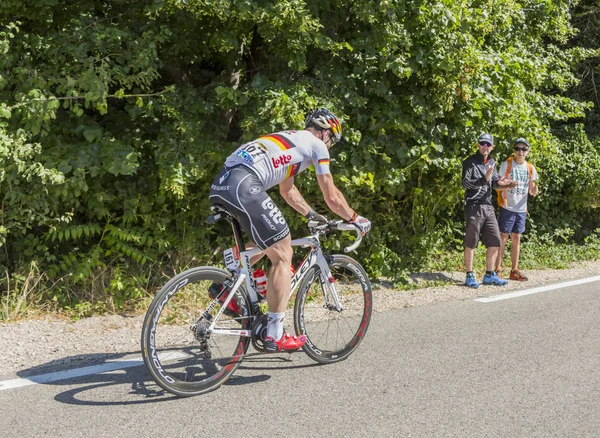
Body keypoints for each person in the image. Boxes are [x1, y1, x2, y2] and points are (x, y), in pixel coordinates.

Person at [208, 108, 372, 352]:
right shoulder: (317, 145)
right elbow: (332, 197)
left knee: (271, 241)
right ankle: (275, 333)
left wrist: (311, 214)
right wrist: (355, 218)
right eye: (332, 141)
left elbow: (288, 191)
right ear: (326, 133)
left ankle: (230, 282)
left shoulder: (289, 140)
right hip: (245, 184)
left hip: (223, 183)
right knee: (284, 251)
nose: (331, 146)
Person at [462, 133, 518, 288]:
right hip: (473, 205)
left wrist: (507, 184)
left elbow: (493, 183)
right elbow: (465, 183)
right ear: (478, 145)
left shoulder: (492, 162)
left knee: (495, 240)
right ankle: (469, 275)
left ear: (492, 147)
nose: (485, 147)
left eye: (488, 144)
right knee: (471, 241)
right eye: (482, 144)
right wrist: (484, 179)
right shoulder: (470, 162)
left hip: (488, 206)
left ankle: (489, 274)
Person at [495, 138, 539, 281]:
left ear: (528, 151)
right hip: (507, 206)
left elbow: (532, 192)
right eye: (518, 149)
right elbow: (497, 185)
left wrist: (534, 188)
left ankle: (514, 270)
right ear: (514, 150)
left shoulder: (530, 168)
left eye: (524, 149)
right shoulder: (506, 165)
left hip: (521, 209)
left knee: (516, 238)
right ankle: (497, 269)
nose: (520, 151)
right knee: (503, 237)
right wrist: (509, 185)